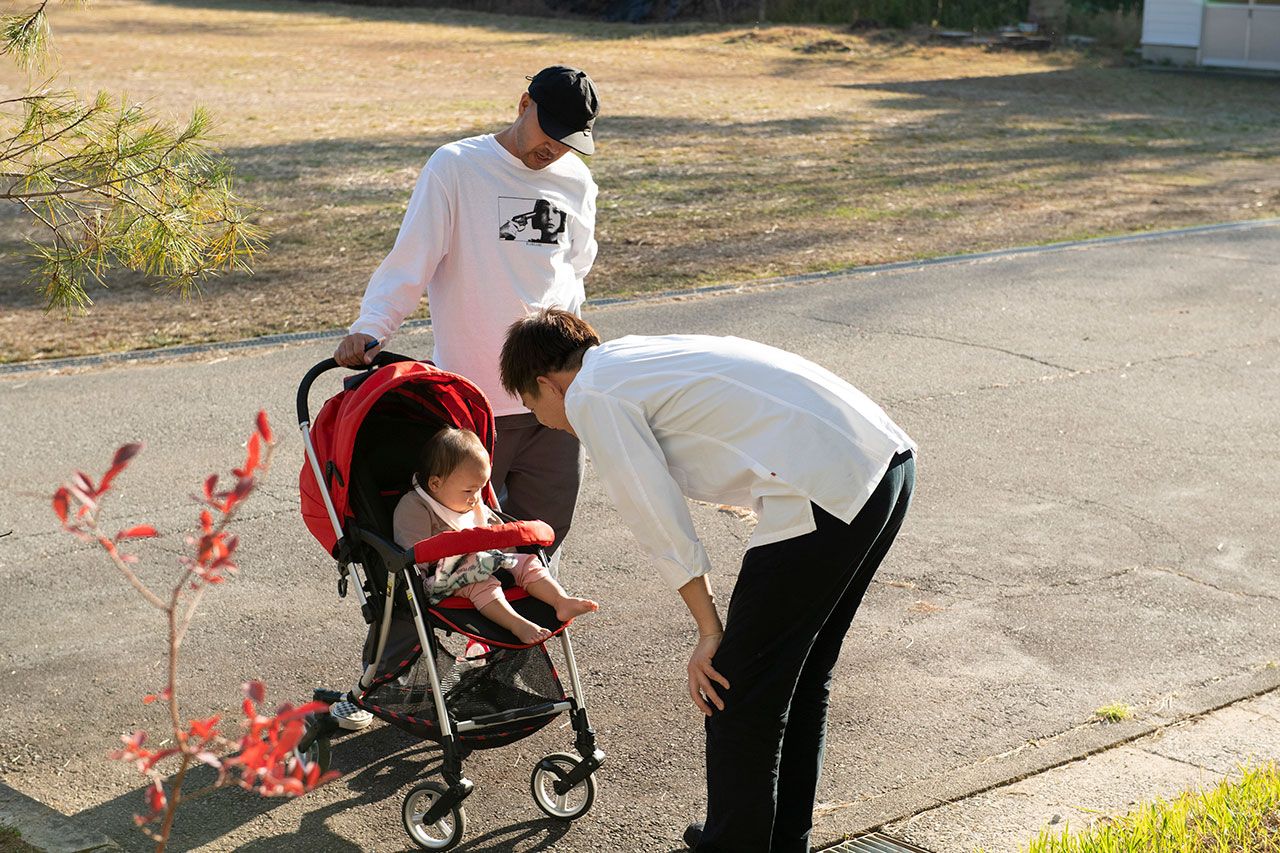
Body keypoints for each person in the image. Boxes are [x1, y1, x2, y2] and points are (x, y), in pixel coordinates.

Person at [499, 309, 917, 853]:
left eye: (533, 407)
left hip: (824, 489)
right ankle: (777, 840)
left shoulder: (591, 392)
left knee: (733, 688)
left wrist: (708, 632)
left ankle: (736, 843)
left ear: (545, 383)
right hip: (886, 463)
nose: (544, 419)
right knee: (801, 674)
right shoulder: (634, 357)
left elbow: (654, 514)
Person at [329, 66, 599, 730]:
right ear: (523, 105)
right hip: (475, 409)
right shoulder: (458, 167)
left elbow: (576, 270)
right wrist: (372, 328)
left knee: (534, 542)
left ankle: (503, 673)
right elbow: (411, 258)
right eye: (549, 131)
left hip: (559, 403)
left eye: (571, 139)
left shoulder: (576, 181)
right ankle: (391, 680)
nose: (554, 149)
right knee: (429, 548)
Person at [393, 426, 598, 645]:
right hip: (438, 580)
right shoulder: (416, 506)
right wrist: (420, 583)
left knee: (527, 561)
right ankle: (516, 623)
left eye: (481, 489)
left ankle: (561, 601)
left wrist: (510, 559)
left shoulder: (471, 501)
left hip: (486, 563)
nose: (475, 498)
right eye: (469, 491)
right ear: (435, 483)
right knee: (476, 574)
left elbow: (496, 532)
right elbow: (414, 554)